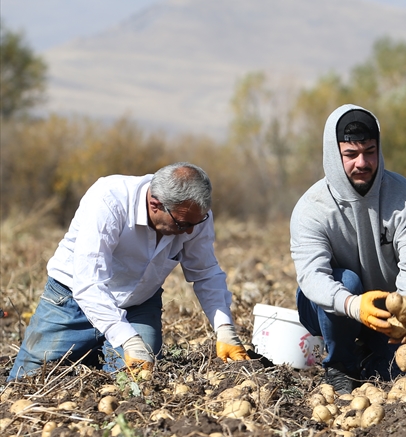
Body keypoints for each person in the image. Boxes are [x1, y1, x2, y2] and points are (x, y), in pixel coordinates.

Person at [8, 162, 249, 380]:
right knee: (27, 382)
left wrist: (225, 329)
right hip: (71, 301)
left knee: (137, 381)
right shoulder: (108, 199)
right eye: (182, 224)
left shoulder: (193, 216)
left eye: (194, 224)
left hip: (137, 304)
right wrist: (127, 339)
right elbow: (89, 283)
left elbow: (205, 272)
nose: (189, 232)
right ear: (155, 205)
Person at [291, 104, 406, 394]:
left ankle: (368, 361)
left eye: (369, 151)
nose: (362, 162)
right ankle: (340, 367)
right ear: (335, 155)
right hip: (331, 309)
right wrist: (354, 306)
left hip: (385, 311)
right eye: (350, 154)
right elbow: (312, 277)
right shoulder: (311, 209)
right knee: (346, 280)